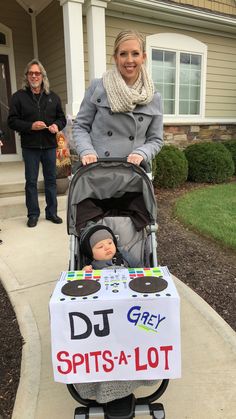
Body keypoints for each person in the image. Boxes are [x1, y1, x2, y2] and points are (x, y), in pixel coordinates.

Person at [72, 29, 163, 167]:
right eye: (123, 54)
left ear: (143, 57)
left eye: (135, 54)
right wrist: (86, 150)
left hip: (133, 172)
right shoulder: (98, 87)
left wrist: (142, 153)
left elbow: (155, 139)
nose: (129, 60)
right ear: (115, 57)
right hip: (98, 169)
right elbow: (80, 126)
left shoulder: (153, 97)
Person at [8, 59, 66, 227]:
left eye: (37, 73)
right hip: (30, 146)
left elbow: (61, 118)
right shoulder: (18, 97)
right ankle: (33, 214)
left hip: (49, 145)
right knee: (31, 182)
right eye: (31, 73)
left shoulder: (52, 97)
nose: (34, 76)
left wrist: (57, 125)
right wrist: (30, 126)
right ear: (27, 76)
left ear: (43, 76)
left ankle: (52, 212)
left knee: (51, 180)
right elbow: (12, 121)